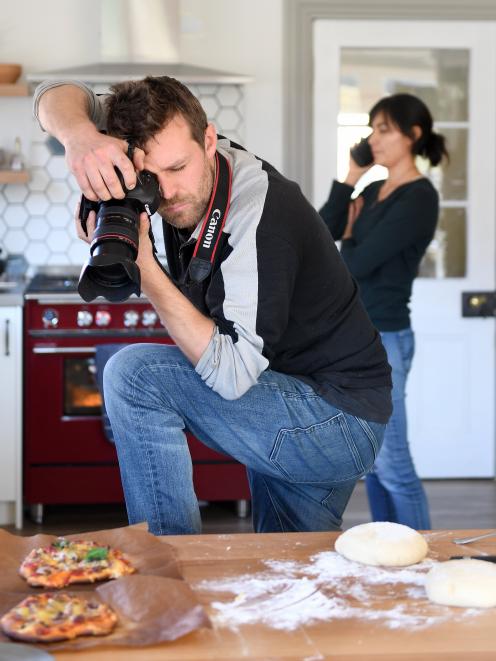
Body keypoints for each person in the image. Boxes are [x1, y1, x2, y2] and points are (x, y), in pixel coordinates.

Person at [33, 77, 392, 535]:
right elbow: (52, 94)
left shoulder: (260, 216)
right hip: (288, 389)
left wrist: (145, 267)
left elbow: (231, 373)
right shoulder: (155, 129)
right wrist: (80, 139)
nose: (168, 192)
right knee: (287, 580)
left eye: (178, 168)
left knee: (134, 375)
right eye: (148, 181)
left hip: (333, 416)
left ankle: (170, 568)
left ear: (208, 139)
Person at [319, 93, 448, 530]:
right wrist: (352, 176)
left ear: (413, 136)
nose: (373, 138)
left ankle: (423, 560)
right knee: (371, 461)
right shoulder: (372, 190)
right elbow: (323, 234)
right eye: (371, 128)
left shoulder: (419, 198)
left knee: (393, 463)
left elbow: (354, 263)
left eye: (384, 129)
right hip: (358, 339)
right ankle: (390, 551)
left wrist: (351, 236)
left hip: (388, 338)